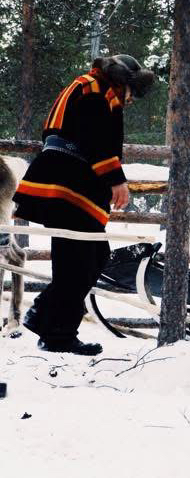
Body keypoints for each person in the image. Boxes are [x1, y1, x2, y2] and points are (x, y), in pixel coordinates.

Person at [14, 54, 155, 355]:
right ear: (122, 81)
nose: (131, 100)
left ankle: (44, 316)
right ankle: (57, 333)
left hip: (65, 181)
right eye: (132, 92)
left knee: (88, 259)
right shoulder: (97, 91)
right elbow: (95, 139)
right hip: (68, 184)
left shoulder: (86, 86)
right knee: (79, 263)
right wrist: (115, 179)